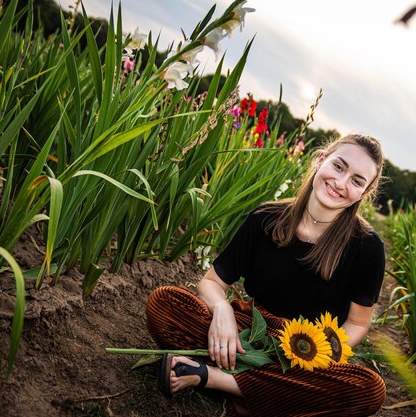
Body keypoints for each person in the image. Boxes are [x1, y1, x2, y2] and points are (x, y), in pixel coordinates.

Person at [146, 134, 387, 416]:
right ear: (321, 161)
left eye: (357, 181)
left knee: (369, 389)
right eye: (339, 166)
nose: (341, 183)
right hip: (249, 333)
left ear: (363, 193)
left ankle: (214, 378)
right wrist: (221, 308)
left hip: (311, 349)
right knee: (164, 303)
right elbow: (212, 282)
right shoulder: (265, 218)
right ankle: (274, 393)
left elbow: (357, 324)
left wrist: (321, 355)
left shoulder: (367, 248)